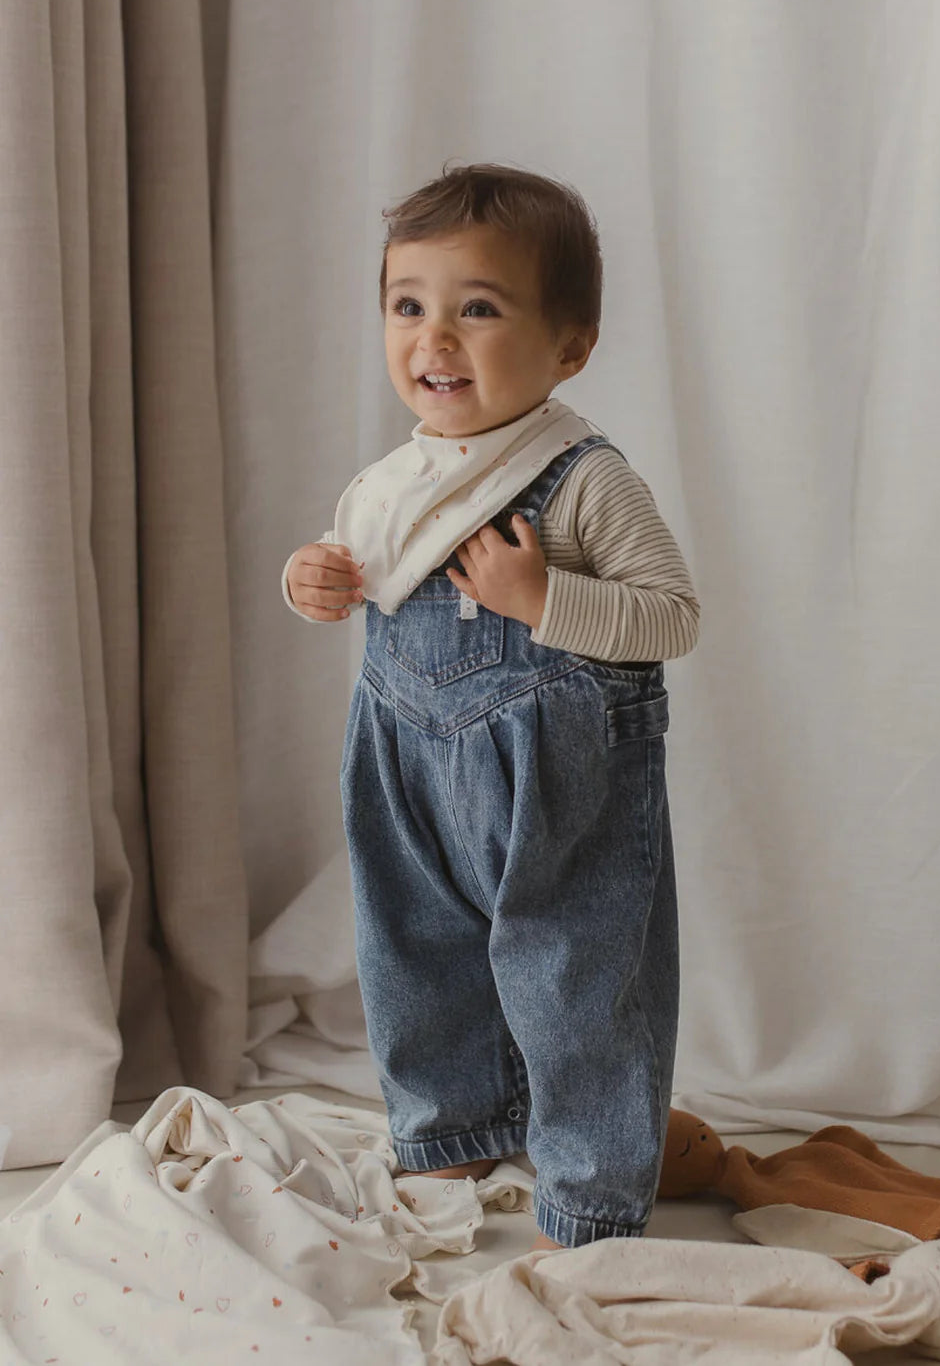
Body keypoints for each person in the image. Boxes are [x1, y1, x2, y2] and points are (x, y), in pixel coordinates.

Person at [282, 163, 699, 1250]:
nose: (436, 339)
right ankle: (450, 1128)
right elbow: (355, 569)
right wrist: (313, 580)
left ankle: (591, 1195)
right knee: (411, 949)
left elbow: (670, 616)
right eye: (409, 306)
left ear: (569, 346)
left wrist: (544, 597)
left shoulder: (582, 477)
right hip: (405, 760)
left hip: (558, 779)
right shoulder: (393, 482)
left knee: (576, 973)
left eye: (479, 309)